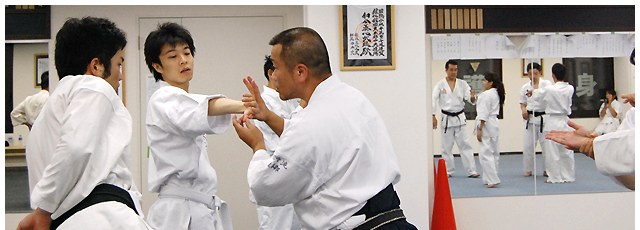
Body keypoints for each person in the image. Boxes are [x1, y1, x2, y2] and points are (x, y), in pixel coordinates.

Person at [233, 27, 417, 230]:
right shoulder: (351, 97)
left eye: (276, 68)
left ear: (300, 72)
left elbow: (265, 187)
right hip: (390, 220)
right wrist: (268, 116)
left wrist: (258, 145)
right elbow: (317, 143)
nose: (274, 76)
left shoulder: (312, 123)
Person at [17, 17, 150, 230]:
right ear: (96, 66)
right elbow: (76, 147)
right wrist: (43, 211)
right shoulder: (94, 85)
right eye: (118, 64)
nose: (121, 76)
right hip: (104, 218)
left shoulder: (45, 117)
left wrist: (44, 210)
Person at [143, 22, 249, 230]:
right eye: (173, 56)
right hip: (180, 214)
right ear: (157, 66)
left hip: (198, 207)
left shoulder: (182, 99)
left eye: (187, 53)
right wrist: (244, 105)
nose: (183, 60)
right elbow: (207, 108)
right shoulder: (163, 98)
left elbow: (200, 110)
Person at [251, 55, 301, 230]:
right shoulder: (265, 102)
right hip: (276, 175)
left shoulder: (290, 101)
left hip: (294, 181)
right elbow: (288, 139)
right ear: (271, 73)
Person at [546, 93, 635, 190]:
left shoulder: (618, 105)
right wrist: (596, 150)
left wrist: (595, 144)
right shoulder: (633, 114)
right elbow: (632, 181)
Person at [432, 59, 480, 178]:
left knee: (466, 145)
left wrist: (473, 98)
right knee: (446, 147)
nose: (454, 72)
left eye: (456, 70)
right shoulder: (440, 85)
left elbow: (470, 98)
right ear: (446, 70)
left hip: (459, 118)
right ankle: (448, 171)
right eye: (451, 70)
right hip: (446, 118)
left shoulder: (462, 84)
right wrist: (433, 115)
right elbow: (433, 99)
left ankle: (471, 170)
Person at [534, 63, 575, 183]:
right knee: (566, 151)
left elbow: (537, 95)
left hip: (552, 121)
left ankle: (554, 177)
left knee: (552, 152)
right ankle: (568, 176)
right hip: (565, 121)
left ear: (553, 75)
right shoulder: (570, 88)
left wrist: (532, 92)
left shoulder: (549, 89)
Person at [520, 62, 553, 177]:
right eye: (530, 74)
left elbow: (548, 95)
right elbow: (522, 103)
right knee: (528, 146)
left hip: (544, 118)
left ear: (540, 73)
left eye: (535, 73)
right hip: (531, 119)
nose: (532, 76)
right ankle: (528, 169)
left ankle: (547, 170)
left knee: (546, 146)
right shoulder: (525, 87)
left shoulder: (546, 84)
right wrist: (523, 110)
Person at [474, 72, 505, 188]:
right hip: (494, 123)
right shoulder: (496, 93)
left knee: (485, 153)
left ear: (490, 83)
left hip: (486, 124)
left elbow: (483, 113)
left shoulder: (486, 95)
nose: (483, 83)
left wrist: (480, 129)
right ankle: (490, 177)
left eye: (485, 81)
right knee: (494, 151)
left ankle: (492, 179)